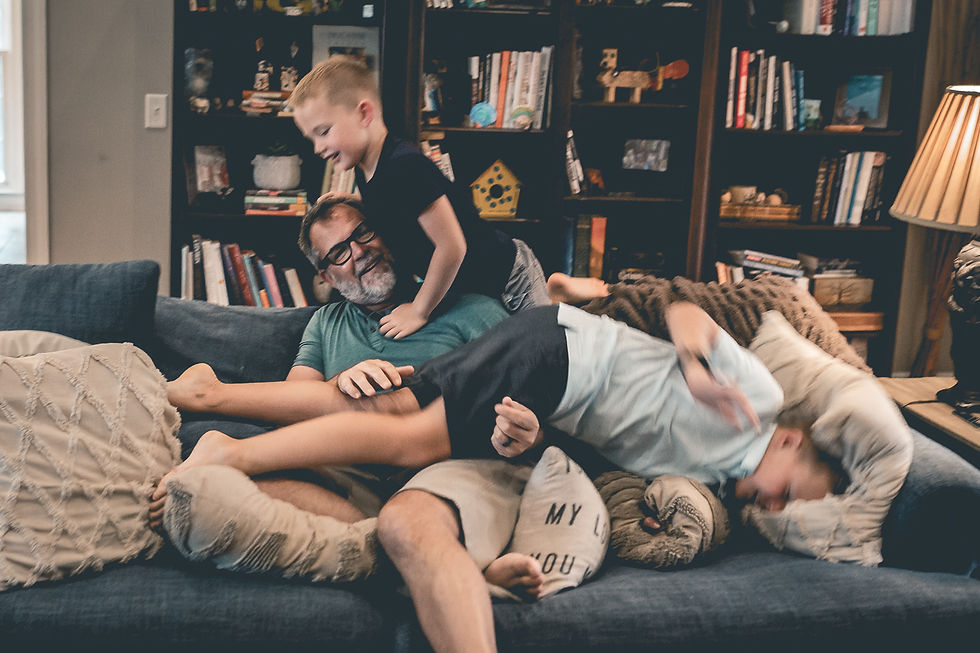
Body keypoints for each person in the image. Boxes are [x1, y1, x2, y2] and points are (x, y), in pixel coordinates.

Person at [289, 55, 551, 340]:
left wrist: (419, 311)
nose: (318, 147)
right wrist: (351, 199)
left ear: (364, 114)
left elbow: (452, 246)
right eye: (312, 138)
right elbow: (396, 208)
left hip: (507, 276)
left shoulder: (405, 166)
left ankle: (557, 291)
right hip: (470, 285)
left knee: (544, 345)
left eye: (324, 132)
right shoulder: (366, 168)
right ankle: (557, 289)